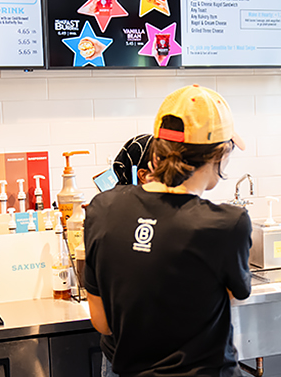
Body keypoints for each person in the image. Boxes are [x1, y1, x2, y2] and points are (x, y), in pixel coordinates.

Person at [84, 84, 252, 377]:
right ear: (220, 154)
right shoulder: (227, 224)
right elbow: (232, 295)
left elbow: (103, 323)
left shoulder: (102, 208)